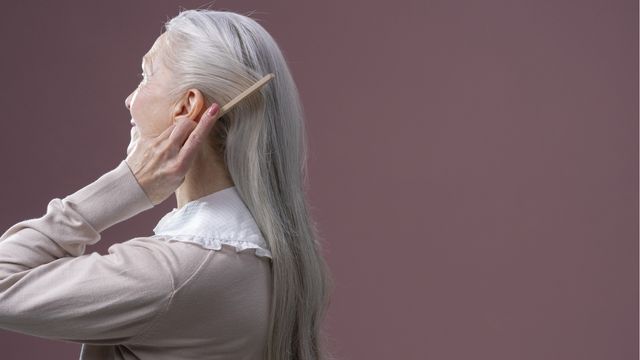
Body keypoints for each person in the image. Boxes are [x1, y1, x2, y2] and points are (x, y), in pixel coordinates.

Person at [0, 8, 333, 360]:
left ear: (188, 106)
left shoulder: (174, 275)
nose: (130, 100)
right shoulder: (266, 257)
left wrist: (128, 183)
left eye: (145, 76)